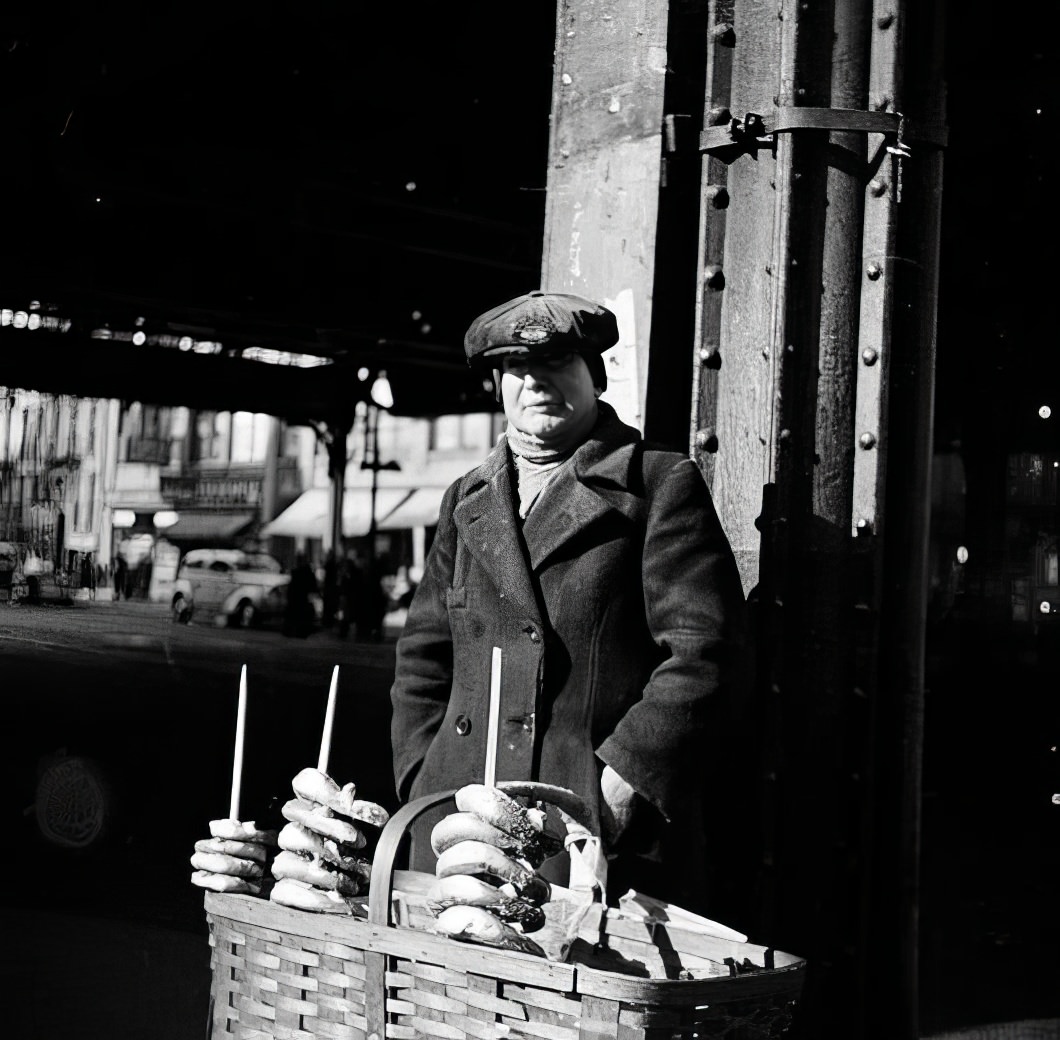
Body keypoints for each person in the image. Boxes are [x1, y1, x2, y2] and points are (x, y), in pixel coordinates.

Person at [389, 290, 746, 911]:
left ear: (595, 376)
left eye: (558, 365)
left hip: (581, 820)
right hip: (457, 819)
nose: (536, 383)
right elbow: (424, 655)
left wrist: (625, 779)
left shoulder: (658, 485)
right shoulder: (464, 499)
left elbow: (701, 651)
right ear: (498, 385)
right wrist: (422, 775)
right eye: (517, 370)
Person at [283, 552, 318, 638]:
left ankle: (293, 632)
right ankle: (300, 632)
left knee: (294, 617)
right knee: (301, 618)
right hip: (302, 600)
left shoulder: (296, 573)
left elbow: (291, 588)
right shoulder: (307, 573)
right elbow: (313, 588)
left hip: (296, 599)